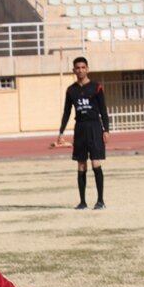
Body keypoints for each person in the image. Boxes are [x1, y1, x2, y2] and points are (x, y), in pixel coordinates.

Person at [56, 56, 111, 210]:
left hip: (94, 127)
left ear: (87, 69)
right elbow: (66, 112)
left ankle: (100, 201)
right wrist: (61, 132)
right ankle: (82, 202)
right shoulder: (71, 90)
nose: (80, 70)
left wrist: (106, 130)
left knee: (95, 163)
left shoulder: (96, 87)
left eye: (83, 67)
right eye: (77, 68)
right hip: (80, 128)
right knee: (81, 165)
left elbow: (103, 111)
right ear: (74, 70)